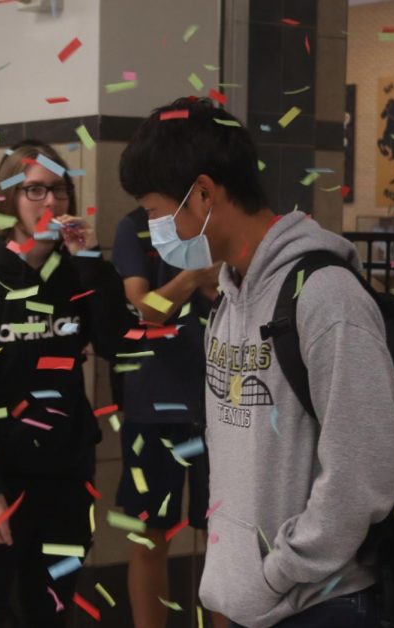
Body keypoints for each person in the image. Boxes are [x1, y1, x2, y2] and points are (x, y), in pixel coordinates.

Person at [119, 96, 394, 628]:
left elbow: (361, 475)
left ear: (202, 194)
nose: (156, 231)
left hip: (321, 606)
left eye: (157, 212)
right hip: (255, 605)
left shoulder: (327, 298)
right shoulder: (228, 298)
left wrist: (277, 572)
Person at [0, 140, 128, 627]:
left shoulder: (77, 272)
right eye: (35, 191)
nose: (51, 204)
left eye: (60, 191)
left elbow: (116, 342)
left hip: (66, 475)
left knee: (52, 611)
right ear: (10, 200)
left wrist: (89, 262)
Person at [111, 206, 225, 628]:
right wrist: (194, 275)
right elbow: (147, 309)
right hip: (154, 400)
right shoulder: (135, 226)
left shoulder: (217, 216)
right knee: (149, 536)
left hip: (220, 399)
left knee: (222, 539)